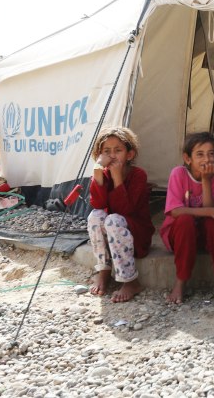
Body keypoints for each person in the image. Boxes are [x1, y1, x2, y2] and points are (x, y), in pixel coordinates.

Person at [160, 132, 214, 304]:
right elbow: (175, 211)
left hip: (203, 237)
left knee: (213, 221)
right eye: (200, 154)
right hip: (179, 236)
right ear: (187, 158)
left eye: (211, 153)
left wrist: (206, 181)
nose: (206, 158)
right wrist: (210, 211)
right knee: (186, 220)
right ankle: (181, 282)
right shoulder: (179, 174)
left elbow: (210, 211)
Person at [87, 127, 154, 302]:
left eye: (118, 150)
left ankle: (130, 280)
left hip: (137, 234)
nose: (113, 155)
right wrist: (97, 175)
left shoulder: (138, 175)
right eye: (106, 151)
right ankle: (104, 270)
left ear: (129, 154)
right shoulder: (102, 174)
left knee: (113, 220)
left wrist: (117, 178)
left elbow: (125, 210)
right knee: (95, 216)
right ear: (99, 155)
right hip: (112, 235)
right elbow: (99, 204)